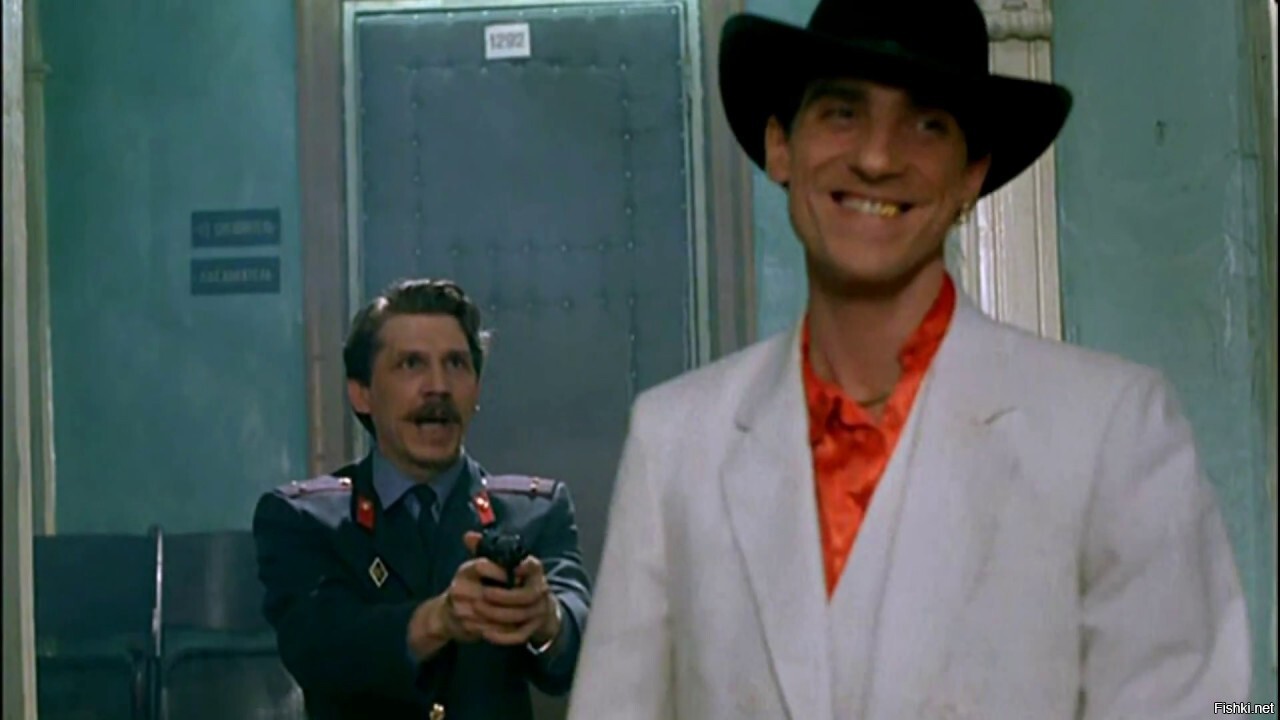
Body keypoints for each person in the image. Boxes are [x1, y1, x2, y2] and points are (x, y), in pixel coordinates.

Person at [566, 1, 1251, 718]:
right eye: (841, 112)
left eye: (927, 124)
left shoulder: (1110, 431)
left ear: (971, 174)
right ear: (779, 146)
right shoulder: (677, 441)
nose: (876, 157)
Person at [254, 278, 591, 720]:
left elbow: (584, 645)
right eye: (411, 364)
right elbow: (321, 649)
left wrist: (546, 620)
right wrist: (438, 620)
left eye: (456, 364)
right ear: (361, 393)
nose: (439, 387)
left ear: (476, 388)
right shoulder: (305, 521)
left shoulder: (533, 513)